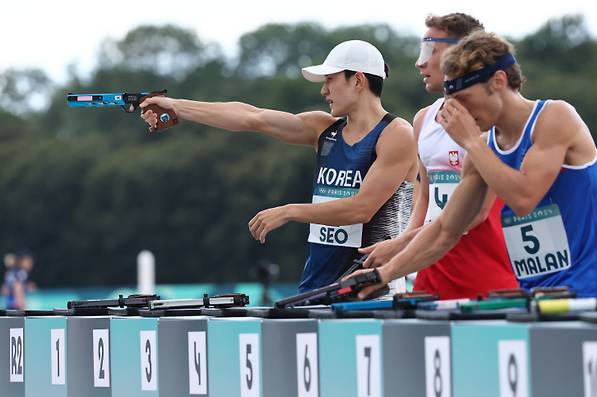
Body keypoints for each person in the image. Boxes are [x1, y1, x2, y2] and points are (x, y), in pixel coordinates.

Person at [353, 31, 597, 299]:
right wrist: (383, 274)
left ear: (498, 81)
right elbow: (445, 229)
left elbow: (524, 198)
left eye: (465, 100)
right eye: (451, 102)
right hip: (531, 297)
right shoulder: (484, 147)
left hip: (586, 295)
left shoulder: (555, 117)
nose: (458, 113)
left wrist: (471, 142)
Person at [139, 40, 417, 293]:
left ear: (358, 80)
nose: (324, 90)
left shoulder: (396, 134)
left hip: (374, 294)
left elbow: (362, 209)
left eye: (330, 80)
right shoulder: (323, 129)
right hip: (316, 290)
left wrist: (290, 211)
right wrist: (176, 106)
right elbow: (251, 117)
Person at [360, 13, 516, 300]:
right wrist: (402, 255)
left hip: (485, 275)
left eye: (429, 50)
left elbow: (476, 214)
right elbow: (423, 200)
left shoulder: (492, 121)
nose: (420, 62)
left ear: (460, 53)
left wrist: (399, 245)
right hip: (430, 271)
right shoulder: (423, 119)